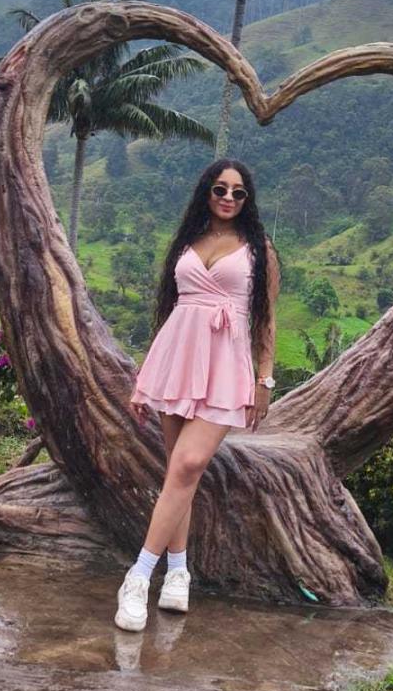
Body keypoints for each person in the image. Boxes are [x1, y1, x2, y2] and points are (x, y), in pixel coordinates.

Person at [115, 157, 280, 631]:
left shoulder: (259, 250)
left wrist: (264, 380)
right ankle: (179, 573)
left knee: (188, 465)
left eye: (238, 192)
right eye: (220, 189)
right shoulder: (188, 240)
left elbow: (266, 320)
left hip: (226, 367)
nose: (228, 198)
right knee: (177, 474)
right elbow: (170, 311)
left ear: (247, 200)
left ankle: (137, 577)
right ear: (206, 192)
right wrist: (146, 377)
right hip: (177, 359)